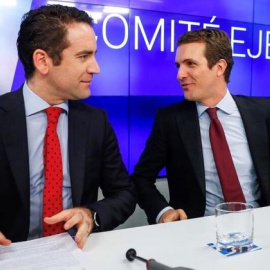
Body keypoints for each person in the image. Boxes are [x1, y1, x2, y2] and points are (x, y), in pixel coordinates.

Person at [0, 4, 136, 248]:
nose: (96, 68)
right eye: (83, 56)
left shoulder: (96, 121)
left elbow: (124, 195)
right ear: (43, 61)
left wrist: (90, 215)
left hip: (74, 253)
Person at [131, 28, 270, 225]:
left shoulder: (263, 112)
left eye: (191, 64)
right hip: (197, 233)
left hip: (260, 227)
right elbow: (141, 179)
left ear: (220, 67)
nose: (180, 74)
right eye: (179, 65)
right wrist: (163, 211)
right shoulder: (170, 120)